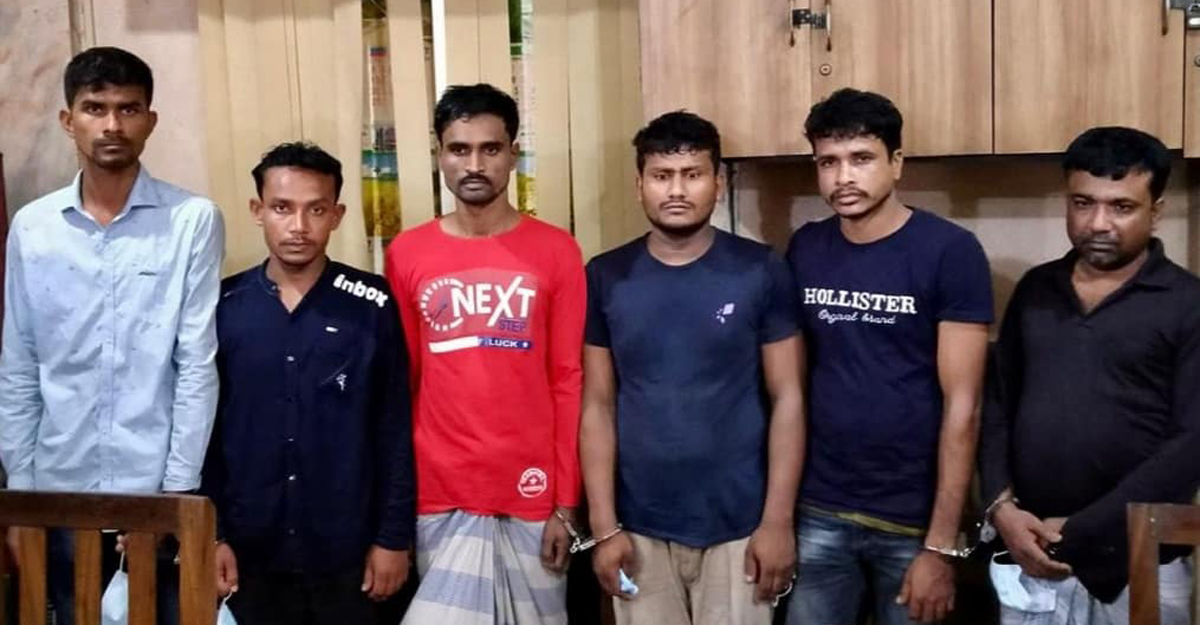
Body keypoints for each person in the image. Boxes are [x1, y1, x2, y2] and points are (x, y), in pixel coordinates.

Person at [0, 46, 224, 624]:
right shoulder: (34, 227)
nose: (112, 125)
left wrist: (176, 494)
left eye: (128, 109)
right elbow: (20, 363)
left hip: (153, 495)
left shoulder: (190, 220)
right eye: (95, 108)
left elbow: (196, 364)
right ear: (67, 119)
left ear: (150, 119)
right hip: (57, 495)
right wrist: (22, 497)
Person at [579, 111, 805, 625]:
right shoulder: (606, 276)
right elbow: (597, 405)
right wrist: (604, 528)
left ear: (717, 183)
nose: (677, 190)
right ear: (639, 185)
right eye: (662, 175)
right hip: (637, 526)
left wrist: (777, 522)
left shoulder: (762, 269)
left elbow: (789, 398)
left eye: (693, 174)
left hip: (740, 525)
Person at [784, 88, 992, 625]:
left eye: (861, 159)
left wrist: (940, 545)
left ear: (896, 162)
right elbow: (791, 385)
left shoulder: (950, 251)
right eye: (828, 162)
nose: (843, 177)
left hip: (912, 519)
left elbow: (964, 407)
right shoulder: (806, 248)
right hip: (819, 506)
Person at [978, 126, 1200, 625]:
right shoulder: (1036, 289)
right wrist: (1000, 508)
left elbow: (1191, 445)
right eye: (1082, 203)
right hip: (1030, 550)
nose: (1098, 223)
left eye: (1121, 207)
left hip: (1141, 559)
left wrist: (1081, 529)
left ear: (1156, 211)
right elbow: (997, 405)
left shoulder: (1189, 304)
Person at [385, 83, 585, 624]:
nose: (474, 165)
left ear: (513, 154)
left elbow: (568, 381)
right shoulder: (406, 253)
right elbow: (404, 384)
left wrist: (567, 504)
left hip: (532, 495)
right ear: (440, 155)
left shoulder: (557, 251)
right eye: (459, 149)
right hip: (439, 495)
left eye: (490, 149)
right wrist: (397, 507)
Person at [201, 142, 414, 624]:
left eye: (315, 209)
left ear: (337, 215)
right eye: (282, 208)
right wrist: (212, 535)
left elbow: (394, 428)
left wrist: (393, 537)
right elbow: (203, 433)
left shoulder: (372, 303)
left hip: (350, 553)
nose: (298, 226)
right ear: (257, 211)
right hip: (250, 552)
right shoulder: (222, 306)